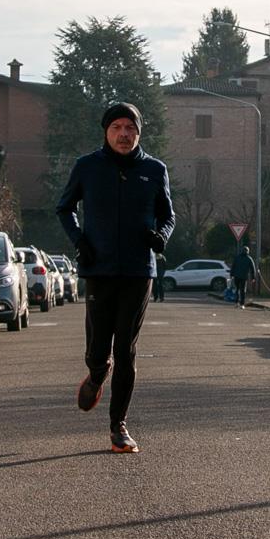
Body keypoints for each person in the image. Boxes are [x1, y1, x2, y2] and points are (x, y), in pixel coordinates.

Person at [55, 101, 175, 453]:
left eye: (130, 128)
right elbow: (64, 208)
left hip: (138, 271)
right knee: (98, 350)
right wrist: (79, 241)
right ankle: (96, 374)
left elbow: (168, 215)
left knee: (125, 350)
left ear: (139, 133)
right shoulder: (87, 167)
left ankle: (118, 426)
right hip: (99, 268)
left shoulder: (154, 169)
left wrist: (161, 237)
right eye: (117, 128)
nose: (124, 134)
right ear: (106, 132)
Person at [230, 242, 255, 308]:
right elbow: (252, 268)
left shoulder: (237, 257)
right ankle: (242, 304)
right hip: (244, 276)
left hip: (237, 276)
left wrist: (231, 274)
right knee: (243, 290)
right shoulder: (249, 258)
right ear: (248, 251)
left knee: (237, 289)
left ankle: (236, 302)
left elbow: (233, 266)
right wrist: (253, 277)